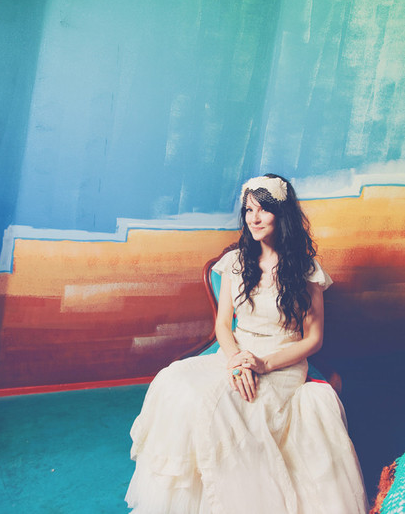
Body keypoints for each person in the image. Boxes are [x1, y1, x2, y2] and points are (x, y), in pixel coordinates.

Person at [125, 174, 369, 514]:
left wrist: (263, 364)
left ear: (281, 214)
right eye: (248, 210)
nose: (253, 218)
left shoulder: (306, 269)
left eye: (262, 210)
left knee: (221, 405)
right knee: (174, 382)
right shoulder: (236, 262)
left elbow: (314, 339)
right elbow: (223, 324)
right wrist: (236, 359)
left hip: (280, 362)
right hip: (237, 353)